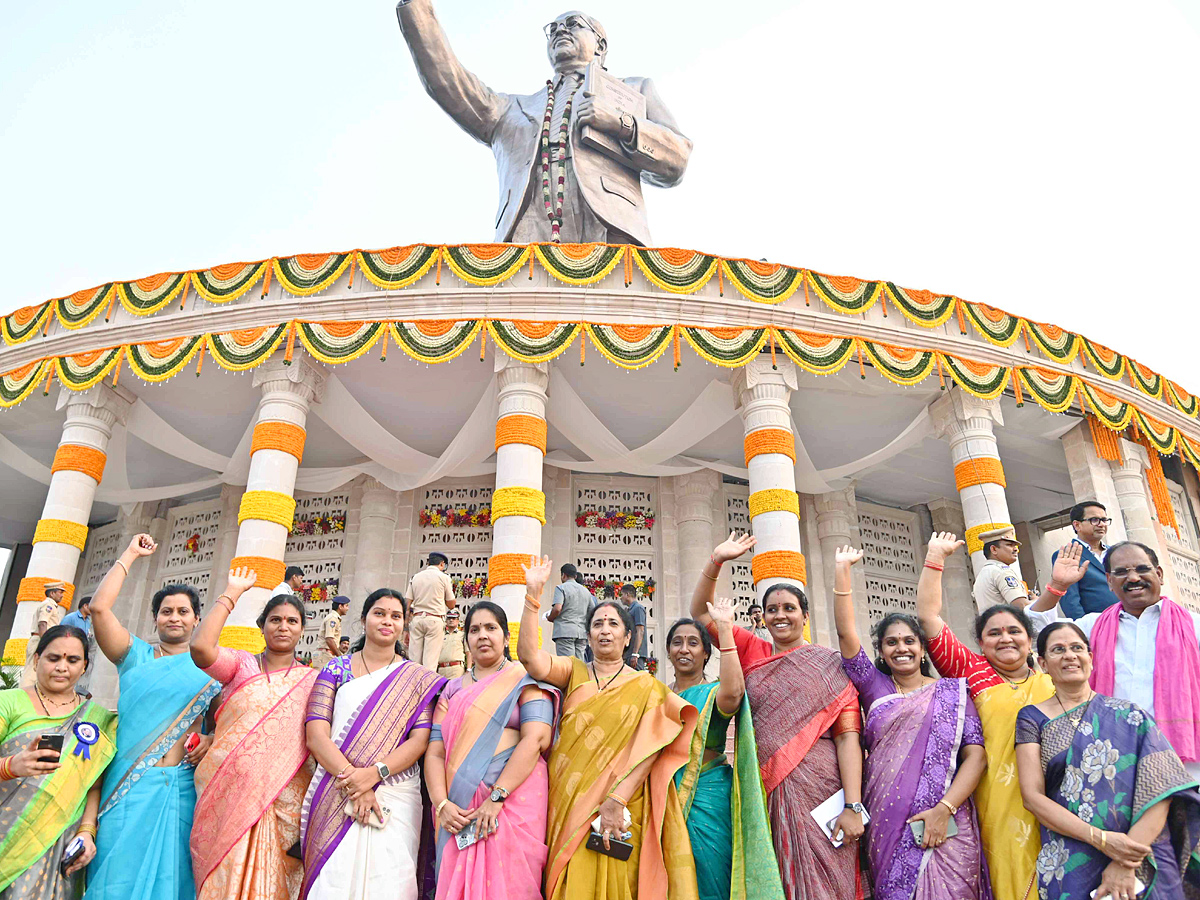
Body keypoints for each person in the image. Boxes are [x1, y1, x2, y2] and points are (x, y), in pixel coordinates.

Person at [396, 3, 692, 245]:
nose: (560, 30)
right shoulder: (510, 110)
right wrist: (417, 10)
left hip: (610, 232)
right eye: (553, 29)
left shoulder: (633, 91)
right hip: (528, 234)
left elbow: (677, 158)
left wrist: (620, 123)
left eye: (573, 23)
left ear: (600, 45)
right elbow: (448, 81)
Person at [690, 532, 867, 900]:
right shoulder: (754, 650)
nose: (780, 615)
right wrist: (716, 560)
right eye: (772, 610)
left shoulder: (830, 665)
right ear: (764, 617)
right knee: (773, 875)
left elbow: (848, 737)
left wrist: (852, 805)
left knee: (830, 878)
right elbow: (699, 612)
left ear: (804, 615)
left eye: (789, 608)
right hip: (762, 788)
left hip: (822, 788)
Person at [517, 555, 699, 900]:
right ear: (587, 634)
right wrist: (532, 595)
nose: (604, 630)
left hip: (620, 804)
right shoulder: (574, 671)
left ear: (628, 636)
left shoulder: (647, 687)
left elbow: (652, 749)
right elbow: (530, 657)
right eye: (598, 624)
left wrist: (616, 798)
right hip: (569, 799)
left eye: (613, 624)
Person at [831, 545, 989, 900]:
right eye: (891, 643)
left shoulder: (953, 692)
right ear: (881, 651)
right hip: (888, 822)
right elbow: (845, 636)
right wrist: (842, 571)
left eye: (909, 641)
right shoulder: (875, 687)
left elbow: (976, 756)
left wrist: (943, 809)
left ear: (922, 648)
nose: (901, 648)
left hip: (949, 821)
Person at [917, 531, 1057, 900]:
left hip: (1059, 795)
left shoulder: (1055, 678)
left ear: (1030, 640)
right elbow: (928, 617)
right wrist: (935, 557)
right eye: (993, 633)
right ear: (980, 643)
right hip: (996, 797)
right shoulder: (971, 670)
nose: (1005, 639)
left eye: (1014, 631)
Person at [1015, 621, 1200, 900]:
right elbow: (1032, 797)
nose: (1069, 655)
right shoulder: (1032, 718)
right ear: (1042, 663)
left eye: (1077, 648)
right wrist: (1102, 840)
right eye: (1058, 650)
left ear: (1091, 657)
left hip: (1142, 855)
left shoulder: (1130, 715)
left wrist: (1125, 859)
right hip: (1072, 855)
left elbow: (1164, 789)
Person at [84, 536, 220, 900]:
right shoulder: (134, 655)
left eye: (183, 611)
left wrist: (210, 739)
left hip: (181, 788)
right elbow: (99, 610)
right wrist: (130, 554)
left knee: (173, 883)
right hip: (127, 786)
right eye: (166, 611)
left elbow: (227, 724)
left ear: (196, 620)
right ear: (155, 617)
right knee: (114, 877)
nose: (174, 617)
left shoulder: (211, 669)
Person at [302, 589, 445, 900]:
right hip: (337, 789)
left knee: (391, 881)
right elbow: (315, 734)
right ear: (364, 619)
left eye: (396, 616)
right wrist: (357, 781)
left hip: (394, 793)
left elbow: (419, 740)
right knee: (333, 880)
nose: (387, 621)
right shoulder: (335, 669)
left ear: (404, 626)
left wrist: (374, 774)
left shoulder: (416, 679)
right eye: (379, 613)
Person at [190, 572, 318, 900]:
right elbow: (201, 648)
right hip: (228, 795)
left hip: (284, 801)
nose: (283, 626)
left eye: (292, 621)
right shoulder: (241, 665)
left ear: (302, 629)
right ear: (262, 626)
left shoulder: (314, 681)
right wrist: (232, 592)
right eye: (275, 619)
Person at [1028, 540, 1200, 780]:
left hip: (1185, 765)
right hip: (1113, 763)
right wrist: (1057, 586)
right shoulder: (1093, 626)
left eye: (1142, 569)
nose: (1132, 578)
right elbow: (1038, 633)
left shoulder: (1194, 626)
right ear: (1109, 581)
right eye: (1121, 572)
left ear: (1159, 574)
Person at [427, 600, 558, 900]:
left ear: (506, 637)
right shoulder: (451, 690)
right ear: (466, 640)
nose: (483, 635)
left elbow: (536, 738)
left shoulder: (526, 681)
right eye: (474, 630)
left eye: (491, 628)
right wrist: (441, 804)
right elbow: (435, 751)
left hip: (514, 800)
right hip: (457, 807)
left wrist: (498, 796)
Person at [666, 606, 785, 900]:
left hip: (709, 793)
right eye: (677, 642)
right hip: (663, 796)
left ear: (706, 654)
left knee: (712, 870)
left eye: (693, 643)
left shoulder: (713, 692)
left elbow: (733, 694)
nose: (684, 649)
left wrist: (725, 629)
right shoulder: (655, 695)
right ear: (668, 651)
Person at [0, 625, 117, 897]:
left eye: (72, 660)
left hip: (55, 840)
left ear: (85, 666)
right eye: (53, 658)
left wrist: (87, 832)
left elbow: (93, 785)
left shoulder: (95, 719)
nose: (62, 667)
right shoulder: (9, 702)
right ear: (36, 659)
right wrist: (10, 766)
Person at [1052, 501, 1119, 618]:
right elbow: (1070, 602)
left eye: (1104, 520)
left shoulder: (1116, 552)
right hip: (1098, 626)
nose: (1101, 524)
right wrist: (1087, 630)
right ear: (1077, 525)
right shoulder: (1067, 555)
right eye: (1094, 520)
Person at [407, 552, 456, 671]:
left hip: (417, 618)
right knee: (430, 662)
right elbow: (451, 604)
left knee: (414, 661)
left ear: (428, 563)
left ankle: (413, 687)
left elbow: (407, 603)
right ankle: (427, 688)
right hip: (434, 619)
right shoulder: (444, 577)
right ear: (442, 564)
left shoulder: (415, 577)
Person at [20, 581, 67, 689]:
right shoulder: (48, 605)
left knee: (38, 670)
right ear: (52, 594)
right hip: (40, 640)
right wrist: (45, 643)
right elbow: (42, 623)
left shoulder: (52, 605)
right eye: (60, 592)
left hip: (42, 640)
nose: (62, 595)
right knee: (31, 671)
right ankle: (23, 695)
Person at [973, 525, 1031, 610]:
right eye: (1009, 545)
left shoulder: (983, 574)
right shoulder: (1002, 571)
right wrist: (1037, 601)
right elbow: (1022, 606)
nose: (1015, 549)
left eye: (1015, 546)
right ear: (994, 549)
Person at [549, 563, 590, 660]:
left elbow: (557, 608)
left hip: (565, 632)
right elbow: (592, 611)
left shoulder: (561, 588)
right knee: (579, 665)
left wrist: (550, 617)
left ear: (563, 575)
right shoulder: (586, 591)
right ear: (575, 576)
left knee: (567, 664)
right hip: (581, 633)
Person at [61, 596, 95, 696]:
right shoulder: (71, 618)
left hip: (80, 652)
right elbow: (60, 634)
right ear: (85, 606)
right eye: (91, 606)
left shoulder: (88, 621)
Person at [312, 596, 350, 672]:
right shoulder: (332, 618)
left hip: (327, 654)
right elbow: (329, 639)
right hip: (325, 655)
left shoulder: (335, 618)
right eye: (346, 606)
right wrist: (339, 656)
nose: (348, 608)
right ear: (340, 606)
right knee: (322, 681)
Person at [619, 584, 649, 670]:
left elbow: (640, 631)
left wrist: (635, 654)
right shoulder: (630, 610)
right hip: (630, 653)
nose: (620, 598)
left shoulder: (638, 608)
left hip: (636, 655)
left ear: (627, 594)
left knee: (637, 681)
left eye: (622, 595)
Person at [437, 609, 467, 679]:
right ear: (446, 620)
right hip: (441, 669)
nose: (451, 620)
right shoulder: (440, 635)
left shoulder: (462, 635)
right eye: (449, 618)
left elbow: (468, 653)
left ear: (458, 620)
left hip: (456, 669)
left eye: (454, 618)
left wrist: (468, 669)